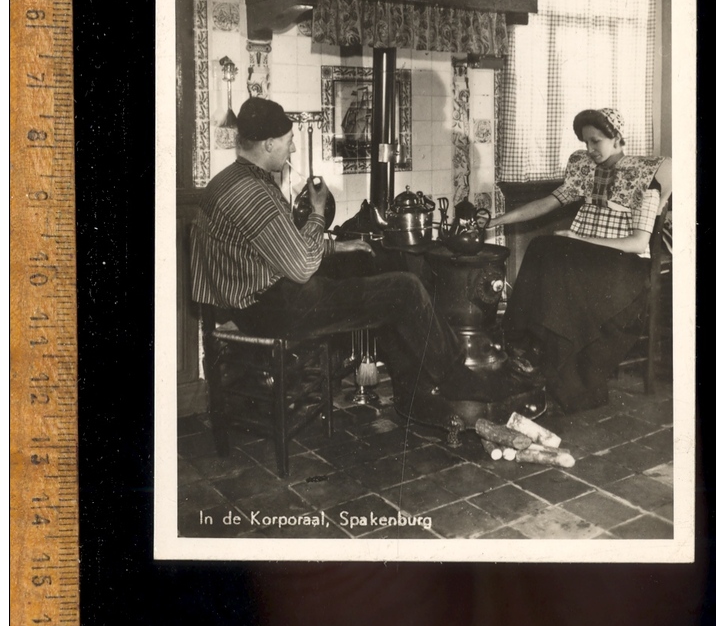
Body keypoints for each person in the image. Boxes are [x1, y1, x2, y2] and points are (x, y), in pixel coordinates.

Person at [190, 96, 510, 411]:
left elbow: (276, 247)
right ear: (269, 144)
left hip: (247, 306)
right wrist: (317, 211)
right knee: (405, 289)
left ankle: (412, 386)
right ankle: (457, 380)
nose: (294, 149)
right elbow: (301, 267)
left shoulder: (226, 182)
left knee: (366, 265)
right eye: (289, 141)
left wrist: (339, 246)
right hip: (274, 310)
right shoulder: (255, 193)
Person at [492, 107, 670, 414]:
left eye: (595, 141)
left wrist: (578, 239)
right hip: (588, 262)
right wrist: (495, 221)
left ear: (616, 138)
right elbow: (547, 202)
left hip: (624, 269)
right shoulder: (584, 170)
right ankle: (521, 345)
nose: (589, 150)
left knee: (556, 255)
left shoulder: (645, 178)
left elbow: (639, 243)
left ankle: (541, 358)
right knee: (541, 246)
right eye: (585, 143)